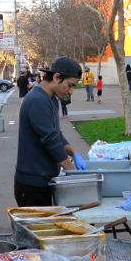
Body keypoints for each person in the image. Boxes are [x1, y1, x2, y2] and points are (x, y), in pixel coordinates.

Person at [14, 57, 88, 206]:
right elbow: (51, 141)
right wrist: (73, 173)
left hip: (44, 180)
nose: (71, 91)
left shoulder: (51, 99)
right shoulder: (37, 100)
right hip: (33, 185)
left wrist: (74, 153)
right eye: (70, 85)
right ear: (56, 77)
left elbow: (57, 134)